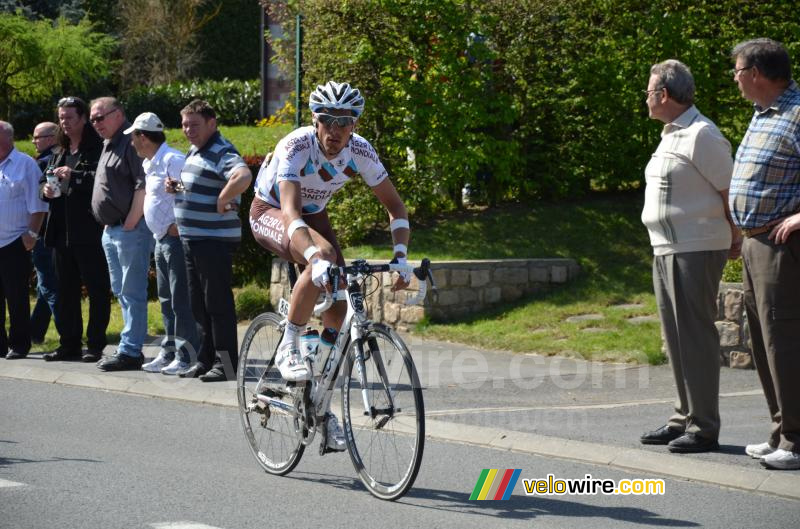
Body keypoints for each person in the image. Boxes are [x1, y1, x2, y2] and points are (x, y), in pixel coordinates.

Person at [249, 81, 411, 451]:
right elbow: (290, 211)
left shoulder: (360, 152)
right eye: (327, 120)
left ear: (354, 125)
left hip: (315, 215)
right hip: (270, 212)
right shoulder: (296, 145)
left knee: (339, 307)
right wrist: (312, 256)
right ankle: (289, 345)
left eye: (345, 121)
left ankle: (318, 399)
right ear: (314, 121)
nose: (335, 129)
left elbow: (396, 208)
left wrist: (400, 257)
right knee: (321, 256)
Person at [638, 60, 739, 454]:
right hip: (667, 247)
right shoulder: (671, 135)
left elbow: (730, 190)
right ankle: (683, 417)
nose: (646, 99)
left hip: (696, 247)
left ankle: (704, 426)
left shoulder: (702, 134)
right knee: (676, 337)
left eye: (649, 92)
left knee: (694, 336)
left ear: (664, 94)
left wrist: (735, 235)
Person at [729, 38, 800, 471]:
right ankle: (780, 430)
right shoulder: (763, 114)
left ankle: (796, 441)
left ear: (756, 73)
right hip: (754, 242)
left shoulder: (796, 113)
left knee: (785, 343)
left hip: (782, 247)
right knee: (762, 343)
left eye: (737, 71)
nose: (734, 79)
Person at [171, 99, 251, 382]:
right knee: (198, 305)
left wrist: (223, 197)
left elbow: (243, 175)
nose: (188, 130)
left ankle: (226, 365)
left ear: (211, 124)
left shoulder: (221, 149)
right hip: (193, 239)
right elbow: (199, 182)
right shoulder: (197, 150)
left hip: (213, 241)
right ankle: (204, 360)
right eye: (184, 125)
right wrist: (177, 187)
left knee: (217, 304)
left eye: (194, 124)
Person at [126, 112, 200, 375]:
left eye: (133, 137)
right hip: (160, 239)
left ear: (143, 137)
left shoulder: (172, 159)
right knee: (166, 300)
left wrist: (180, 225)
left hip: (176, 240)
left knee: (180, 301)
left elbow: (192, 191)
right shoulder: (151, 163)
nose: (132, 143)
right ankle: (169, 352)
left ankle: (186, 355)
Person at [40, 98, 111, 363]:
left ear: (83, 118)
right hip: (60, 232)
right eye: (61, 118)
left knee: (96, 289)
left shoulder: (98, 149)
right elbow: (46, 181)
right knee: (65, 291)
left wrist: (75, 176)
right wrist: (45, 190)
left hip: (89, 230)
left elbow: (101, 181)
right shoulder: (59, 150)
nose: (64, 123)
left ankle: (95, 344)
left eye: (69, 117)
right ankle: (68, 344)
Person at [89, 97, 153, 371]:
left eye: (100, 117)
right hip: (113, 230)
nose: (95, 123)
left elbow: (143, 184)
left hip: (130, 230)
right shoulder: (109, 142)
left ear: (118, 114)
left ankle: (131, 351)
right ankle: (129, 346)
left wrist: (130, 220)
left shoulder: (130, 140)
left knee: (132, 291)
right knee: (122, 291)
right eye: (93, 119)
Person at [0, 121, 49, 359]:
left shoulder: (25, 164)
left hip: (14, 242)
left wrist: (31, 235)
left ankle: (19, 345)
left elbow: (38, 204)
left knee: (16, 296)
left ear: (7, 137)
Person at [29, 121, 60, 343]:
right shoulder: (58, 158)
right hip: (53, 232)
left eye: (37, 137)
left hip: (42, 232)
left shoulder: (43, 163)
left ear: (51, 138)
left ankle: (68, 334)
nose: (33, 141)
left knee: (49, 286)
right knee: (44, 285)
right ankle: (34, 333)